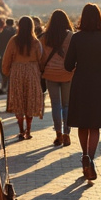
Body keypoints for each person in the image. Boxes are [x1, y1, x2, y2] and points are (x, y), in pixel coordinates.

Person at [64, 3, 101, 182]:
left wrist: (78, 66)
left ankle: (84, 155)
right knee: (95, 125)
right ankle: (90, 158)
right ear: (100, 19)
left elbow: (68, 65)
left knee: (82, 123)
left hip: (81, 83)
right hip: (100, 83)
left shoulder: (76, 38)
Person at [3, 16, 45, 140]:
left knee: (19, 101)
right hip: (32, 72)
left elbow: (7, 58)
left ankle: (21, 130)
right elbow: (40, 59)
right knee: (30, 101)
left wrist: (6, 71)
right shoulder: (36, 42)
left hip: (17, 72)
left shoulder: (14, 40)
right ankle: (29, 130)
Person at [41, 9, 75, 147]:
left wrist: (42, 69)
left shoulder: (44, 37)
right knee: (66, 105)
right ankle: (67, 134)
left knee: (55, 104)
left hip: (50, 74)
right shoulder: (71, 36)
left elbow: (41, 56)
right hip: (67, 73)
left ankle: (58, 135)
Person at [0, 18, 16, 95]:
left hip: (3, 52)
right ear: (13, 24)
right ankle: (9, 87)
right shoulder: (14, 32)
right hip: (13, 54)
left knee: (5, 71)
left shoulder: (2, 32)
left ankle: (4, 87)